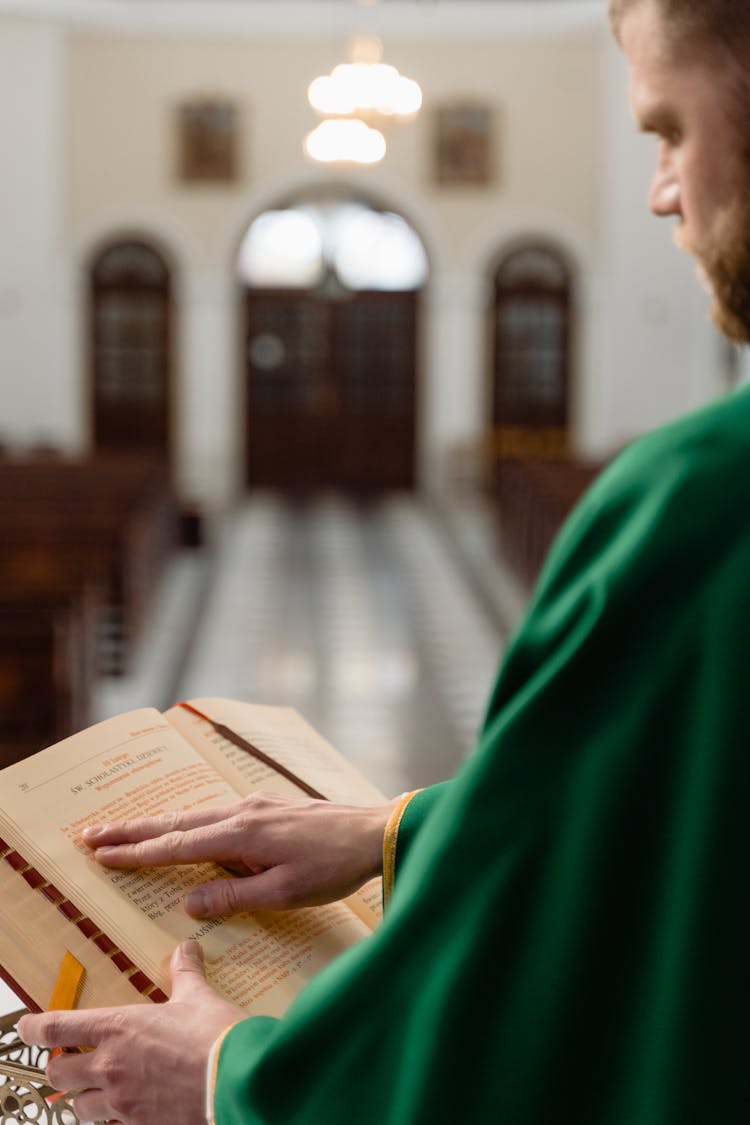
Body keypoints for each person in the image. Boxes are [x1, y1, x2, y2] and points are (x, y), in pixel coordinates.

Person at [18, 0, 750, 1119]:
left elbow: (502, 1019)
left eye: (668, 130)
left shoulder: (709, 501)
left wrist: (228, 1076)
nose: (659, 187)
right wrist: (391, 829)